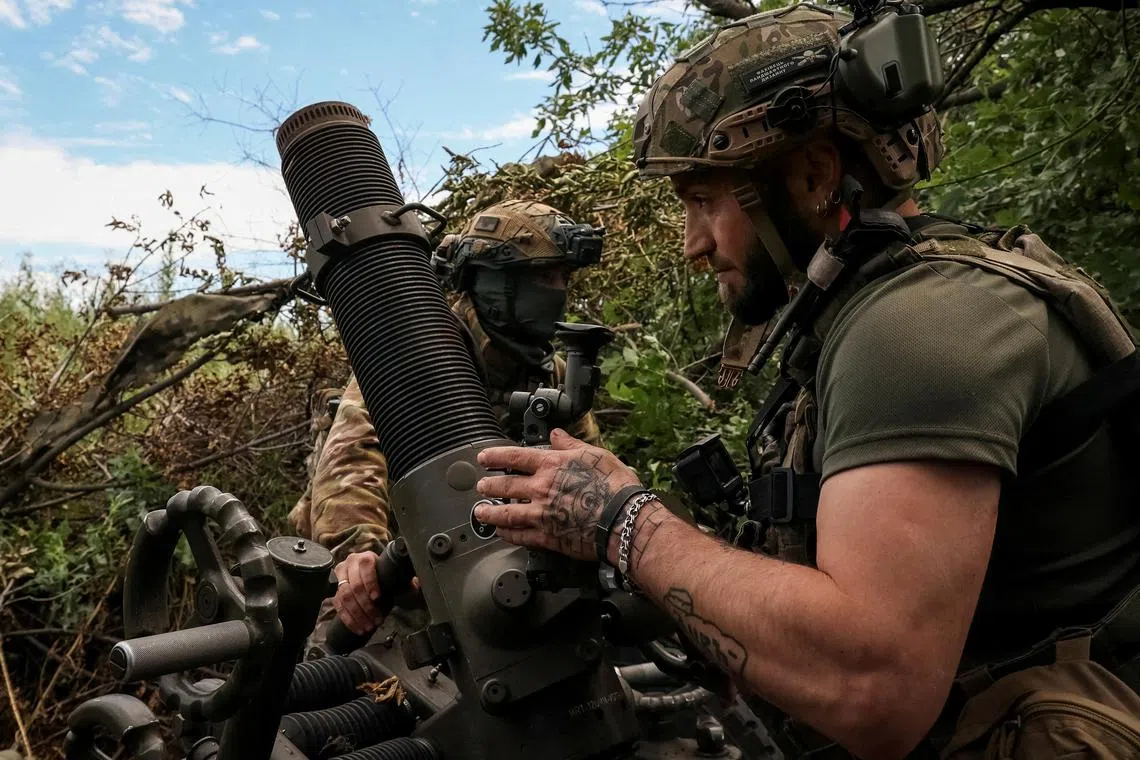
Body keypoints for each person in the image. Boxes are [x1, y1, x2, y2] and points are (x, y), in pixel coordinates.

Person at [470, 4, 1140, 759]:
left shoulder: (919, 325)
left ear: (816, 176)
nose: (694, 245)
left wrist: (625, 524)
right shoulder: (902, 299)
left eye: (703, 201)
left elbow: (872, 683)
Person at [288, 199, 605, 652]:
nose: (557, 291)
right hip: (393, 571)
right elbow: (352, 461)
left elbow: (589, 473)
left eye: (563, 278)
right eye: (543, 276)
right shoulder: (423, 348)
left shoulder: (550, 373)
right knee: (338, 688)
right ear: (492, 281)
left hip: (494, 574)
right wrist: (356, 557)